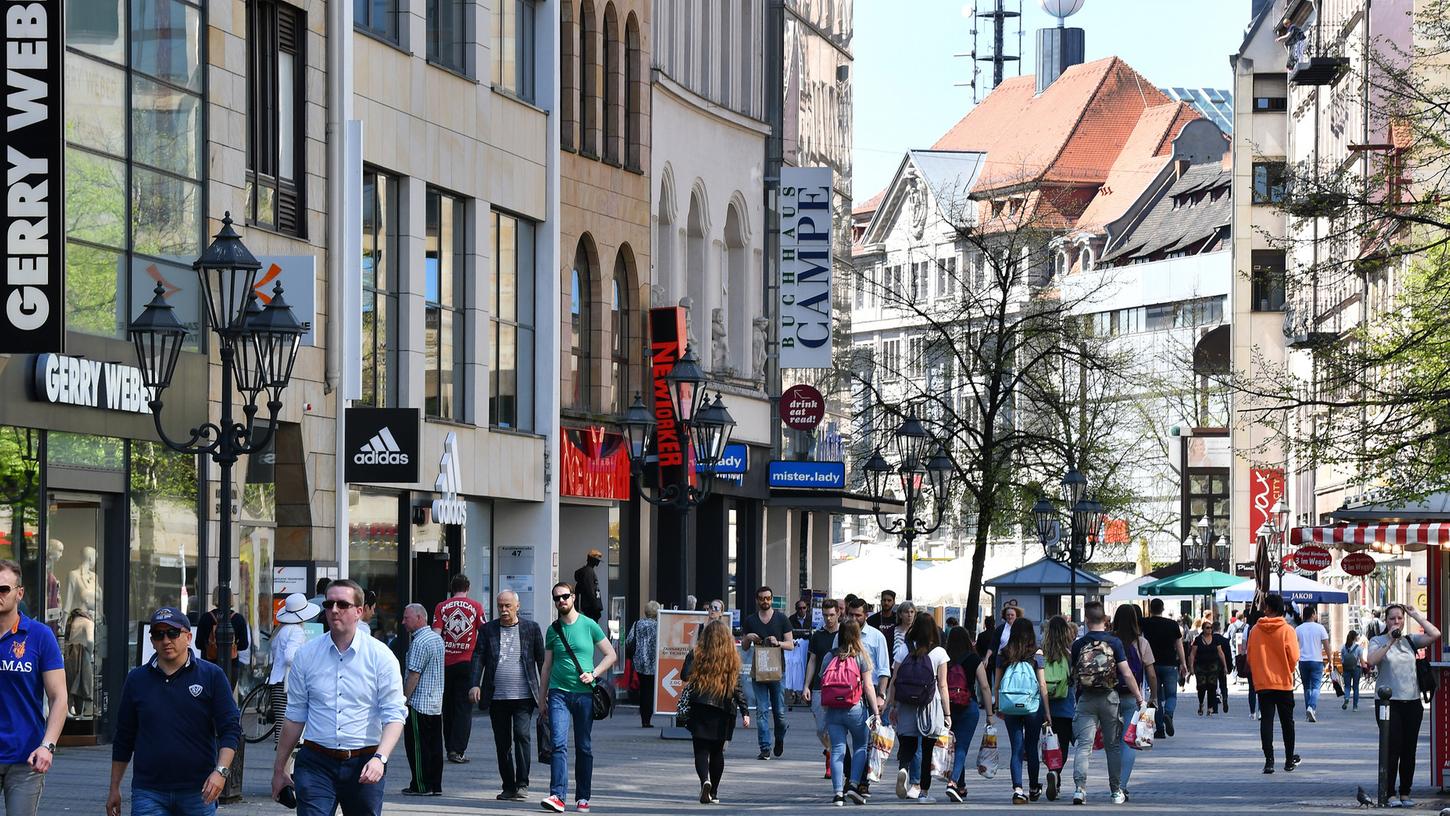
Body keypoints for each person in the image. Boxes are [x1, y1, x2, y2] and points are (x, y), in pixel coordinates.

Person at [272, 579, 408, 816]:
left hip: (364, 762)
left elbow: (394, 714)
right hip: (316, 762)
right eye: (329, 603)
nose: (334, 610)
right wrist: (279, 769)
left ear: (358, 612)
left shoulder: (381, 657)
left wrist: (380, 758)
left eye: (342, 604)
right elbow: (295, 716)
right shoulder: (307, 655)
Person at [107, 607, 242, 816]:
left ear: (188, 637)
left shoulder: (211, 675)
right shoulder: (136, 680)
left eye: (172, 633)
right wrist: (114, 788)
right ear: (152, 641)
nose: (166, 640)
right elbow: (124, 737)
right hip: (148, 791)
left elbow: (231, 729)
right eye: (159, 635)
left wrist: (221, 772)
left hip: (198, 790)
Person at [539, 580, 616, 813]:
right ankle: (558, 796)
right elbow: (546, 666)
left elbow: (610, 655)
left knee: (583, 746)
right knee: (558, 743)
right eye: (556, 598)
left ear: (573, 597)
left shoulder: (589, 625)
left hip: (584, 695)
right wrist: (541, 698)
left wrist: (594, 673)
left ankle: (583, 797)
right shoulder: (553, 630)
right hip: (558, 693)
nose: (561, 601)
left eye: (564, 596)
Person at [0, 559, 65, 816]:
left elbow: (59, 696)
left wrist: (48, 745)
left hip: (26, 756)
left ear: (19, 593)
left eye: (4, 589)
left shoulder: (39, 635)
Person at [1068, 601, 1146, 806]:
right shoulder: (1115, 643)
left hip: (1085, 699)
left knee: (1084, 746)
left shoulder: (1078, 644)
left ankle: (1079, 790)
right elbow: (1127, 673)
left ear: (1086, 620)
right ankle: (1116, 791)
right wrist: (1139, 698)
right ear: (1105, 620)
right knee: (1113, 747)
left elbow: (1073, 674)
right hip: (1110, 699)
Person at [1367, 602, 1442, 807]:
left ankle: (1405, 793)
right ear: (1386, 621)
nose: (1396, 621)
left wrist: (1416, 614)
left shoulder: (1411, 640)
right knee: (1393, 748)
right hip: (1389, 704)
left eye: (1399, 618)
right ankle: (1389, 793)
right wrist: (1390, 640)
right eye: (1392, 618)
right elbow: (1372, 660)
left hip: (1412, 701)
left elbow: (1435, 634)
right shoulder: (1377, 640)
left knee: (1409, 749)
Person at [477, 589, 545, 802]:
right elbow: (478, 658)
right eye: (500, 606)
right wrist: (474, 685)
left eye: (508, 606)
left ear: (517, 606)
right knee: (502, 742)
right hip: (497, 696)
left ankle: (522, 783)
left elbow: (542, 661)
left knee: (522, 736)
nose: (504, 610)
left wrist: (547, 690)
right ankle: (508, 786)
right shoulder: (488, 630)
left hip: (524, 696)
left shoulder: (531, 628)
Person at [681, 620, 752, 805]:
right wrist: (745, 711)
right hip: (724, 710)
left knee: (701, 750)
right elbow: (737, 688)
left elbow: (684, 675)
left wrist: (692, 654)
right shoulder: (731, 657)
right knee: (717, 752)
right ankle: (714, 792)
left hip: (700, 706)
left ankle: (705, 780)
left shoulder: (697, 653)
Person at [885, 611, 951, 803]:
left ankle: (904, 769)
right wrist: (947, 713)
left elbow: (895, 679)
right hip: (930, 704)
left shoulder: (904, 649)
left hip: (906, 702)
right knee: (927, 750)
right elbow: (943, 685)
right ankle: (923, 792)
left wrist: (893, 705)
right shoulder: (939, 653)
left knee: (908, 744)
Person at [815, 620, 881, 806]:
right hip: (856, 708)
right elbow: (868, 686)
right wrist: (876, 712)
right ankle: (852, 785)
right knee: (860, 746)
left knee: (837, 750)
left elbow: (823, 682)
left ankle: (838, 794)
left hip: (834, 710)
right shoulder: (861, 656)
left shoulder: (830, 656)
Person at [995, 617, 1051, 805]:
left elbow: (996, 684)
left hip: (1010, 705)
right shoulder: (1037, 653)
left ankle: (1018, 789)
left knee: (1016, 749)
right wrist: (1047, 711)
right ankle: (1034, 787)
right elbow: (1042, 684)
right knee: (1031, 747)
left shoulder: (1003, 653)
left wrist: (998, 706)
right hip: (1032, 706)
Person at [431, 575, 486, 764]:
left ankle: (449, 747)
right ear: (468, 588)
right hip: (467, 662)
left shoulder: (441, 607)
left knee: (447, 707)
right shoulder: (476, 606)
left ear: (451, 588)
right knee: (463, 708)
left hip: (446, 664)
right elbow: (484, 631)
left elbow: (436, 635)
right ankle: (458, 749)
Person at [1246, 593, 1301, 775]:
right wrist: (1288, 669)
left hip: (1263, 683)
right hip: (1283, 682)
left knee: (1267, 722)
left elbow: (1250, 656)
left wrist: (1259, 672)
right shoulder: (1287, 630)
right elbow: (1294, 657)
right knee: (1287, 722)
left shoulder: (1255, 630)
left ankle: (1269, 761)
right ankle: (1288, 759)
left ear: (1268, 608)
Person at [740, 585, 795, 761]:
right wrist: (748, 638)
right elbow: (744, 647)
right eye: (762, 598)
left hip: (778, 671)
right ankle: (765, 748)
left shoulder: (781, 619)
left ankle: (779, 737)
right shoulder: (750, 620)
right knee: (761, 711)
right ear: (757, 600)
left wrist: (777, 642)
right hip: (759, 671)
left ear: (771, 599)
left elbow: (791, 644)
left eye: (768, 598)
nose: (765, 601)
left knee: (779, 713)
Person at [1110, 605, 1155, 799]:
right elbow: (1151, 673)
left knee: (1113, 744)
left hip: (1108, 696)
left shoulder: (1109, 641)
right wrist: (1153, 696)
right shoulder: (1141, 642)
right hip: (1132, 696)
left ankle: (1114, 782)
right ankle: (1121, 786)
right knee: (1128, 742)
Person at [943, 626, 992, 803]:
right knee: (961, 747)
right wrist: (990, 713)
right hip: (967, 706)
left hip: (947, 707)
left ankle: (961, 787)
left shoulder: (944, 658)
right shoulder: (974, 659)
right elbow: (985, 687)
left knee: (954, 748)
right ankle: (953, 782)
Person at [401, 603, 445, 796]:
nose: (403, 622)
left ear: (419, 618)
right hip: (435, 702)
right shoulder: (436, 639)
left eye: (406, 618)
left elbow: (414, 675)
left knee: (417, 748)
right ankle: (435, 785)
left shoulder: (419, 642)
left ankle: (420, 785)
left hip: (419, 703)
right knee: (434, 747)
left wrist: (403, 700)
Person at [268, 593, 320, 745]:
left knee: (281, 729)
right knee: (290, 731)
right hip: (288, 684)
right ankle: (287, 768)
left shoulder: (281, 630)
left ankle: (280, 766)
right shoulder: (296, 631)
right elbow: (290, 656)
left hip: (277, 682)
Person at [803, 598, 843, 778]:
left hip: (841, 685)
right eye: (826, 615)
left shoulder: (844, 634)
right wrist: (806, 686)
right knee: (821, 729)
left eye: (832, 615)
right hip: (820, 686)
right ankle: (829, 750)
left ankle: (833, 761)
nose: (828, 619)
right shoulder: (817, 635)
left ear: (838, 614)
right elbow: (812, 661)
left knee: (836, 727)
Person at [1041, 614, 1076, 800]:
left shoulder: (1040, 654)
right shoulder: (1070, 655)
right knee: (1062, 745)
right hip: (1065, 706)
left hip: (1044, 706)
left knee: (1048, 744)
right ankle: (1056, 773)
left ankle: (1052, 771)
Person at [1141, 598, 1186, 738]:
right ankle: (1169, 713)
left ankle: (1159, 729)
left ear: (1150, 609)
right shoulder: (1172, 624)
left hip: (1151, 665)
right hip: (1170, 664)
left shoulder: (1145, 623)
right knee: (1171, 695)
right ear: (1163, 608)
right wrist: (1183, 663)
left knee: (1156, 697)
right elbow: (1179, 645)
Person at [194, 587, 250, 670]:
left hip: (208, 665)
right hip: (231, 666)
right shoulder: (239, 619)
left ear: (215, 597)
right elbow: (244, 645)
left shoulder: (205, 618)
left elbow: (198, 644)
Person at [624, 601, 660, 728]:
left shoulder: (637, 624)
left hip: (639, 662)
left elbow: (629, 641)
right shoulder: (659, 625)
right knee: (650, 691)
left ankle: (644, 718)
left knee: (643, 690)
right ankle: (647, 718)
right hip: (654, 663)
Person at [1295, 605, 1330, 722]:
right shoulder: (1320, 628)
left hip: (1303, 660)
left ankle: (1308, 711)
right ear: (1313, 615)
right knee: (1316, 687)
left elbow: (1294, 646)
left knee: (1306, 688)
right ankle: (1312, 707)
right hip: (1317, 660)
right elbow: (1326, 645)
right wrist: (1330, 660)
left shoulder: (1298, 629)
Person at [1187, 619, 1228, 715]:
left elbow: (1220, 653)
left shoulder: (1215, 639)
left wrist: (1225, 666)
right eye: (1207, 628)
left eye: (1211, 628)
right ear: (1203, 629)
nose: (1209, 630)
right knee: (1201, 687)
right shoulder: (1198, 639)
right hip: (1200, 667)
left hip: (1213, 666)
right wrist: (1191, 667)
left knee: (1212, 687)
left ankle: (1210, 708)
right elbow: (1192, 654)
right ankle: (1201, 703)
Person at [574, 549, 604, 622]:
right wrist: (596, 608)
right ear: (592, 560)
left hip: (590, 609)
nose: (598, 562)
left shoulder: (588, 571)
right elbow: (590, 591)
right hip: (590, 609)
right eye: (597, 560)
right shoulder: (588, 572)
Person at [1211, 621, 1234, 712]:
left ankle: (1214, 707)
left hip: (1212, 666)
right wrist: (1229, 667)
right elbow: (1228, 654)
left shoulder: (1210, 640)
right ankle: (1224, 697)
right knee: (1223, 684)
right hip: (1222, 665)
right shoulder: (1225, 640)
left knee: (1213, 685)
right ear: (1219, 629)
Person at [1341, 630, 1364, 711]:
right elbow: (1361, 660)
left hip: (1346, 668)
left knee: (1347, 686)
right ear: (1355, 638)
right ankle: (1355, 706)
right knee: (1356, 687)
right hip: (1356, 668)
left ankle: (1347, 697)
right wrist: (1365, 667)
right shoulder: (1359, 648)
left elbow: (1342, 659)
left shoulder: (1343, 647)